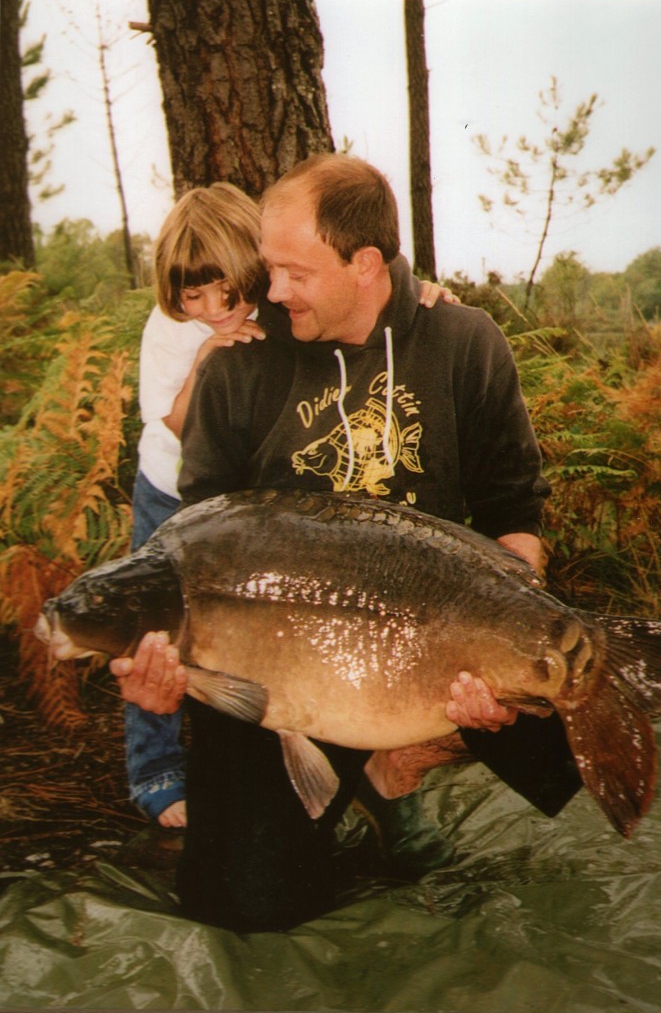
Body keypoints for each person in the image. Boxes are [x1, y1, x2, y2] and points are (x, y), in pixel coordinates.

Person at [112, 154, 581, 933]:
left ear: (366, 265)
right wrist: (175, 668)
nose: (272, 289)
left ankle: (400, 765)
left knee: (575, 677)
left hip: (431, 637)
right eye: (268, 267)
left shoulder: (463, 342)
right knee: (243, 907)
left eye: (294, 272)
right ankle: (361, 771)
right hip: (281, 661)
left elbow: (512, 504)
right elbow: (196, 547)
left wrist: (501, 659)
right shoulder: (239, 364)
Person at [125, 181, 460, 832]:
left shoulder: (280, 304)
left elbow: (372, 286)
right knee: (154, 637)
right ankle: (155, 768)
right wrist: (206, 360)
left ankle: (351, 752)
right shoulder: (172, 331)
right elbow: (172, 424)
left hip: (240, 508)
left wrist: (420, 295)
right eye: (194, 297)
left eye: (229, 293)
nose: (215, 308)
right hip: (168, 497)